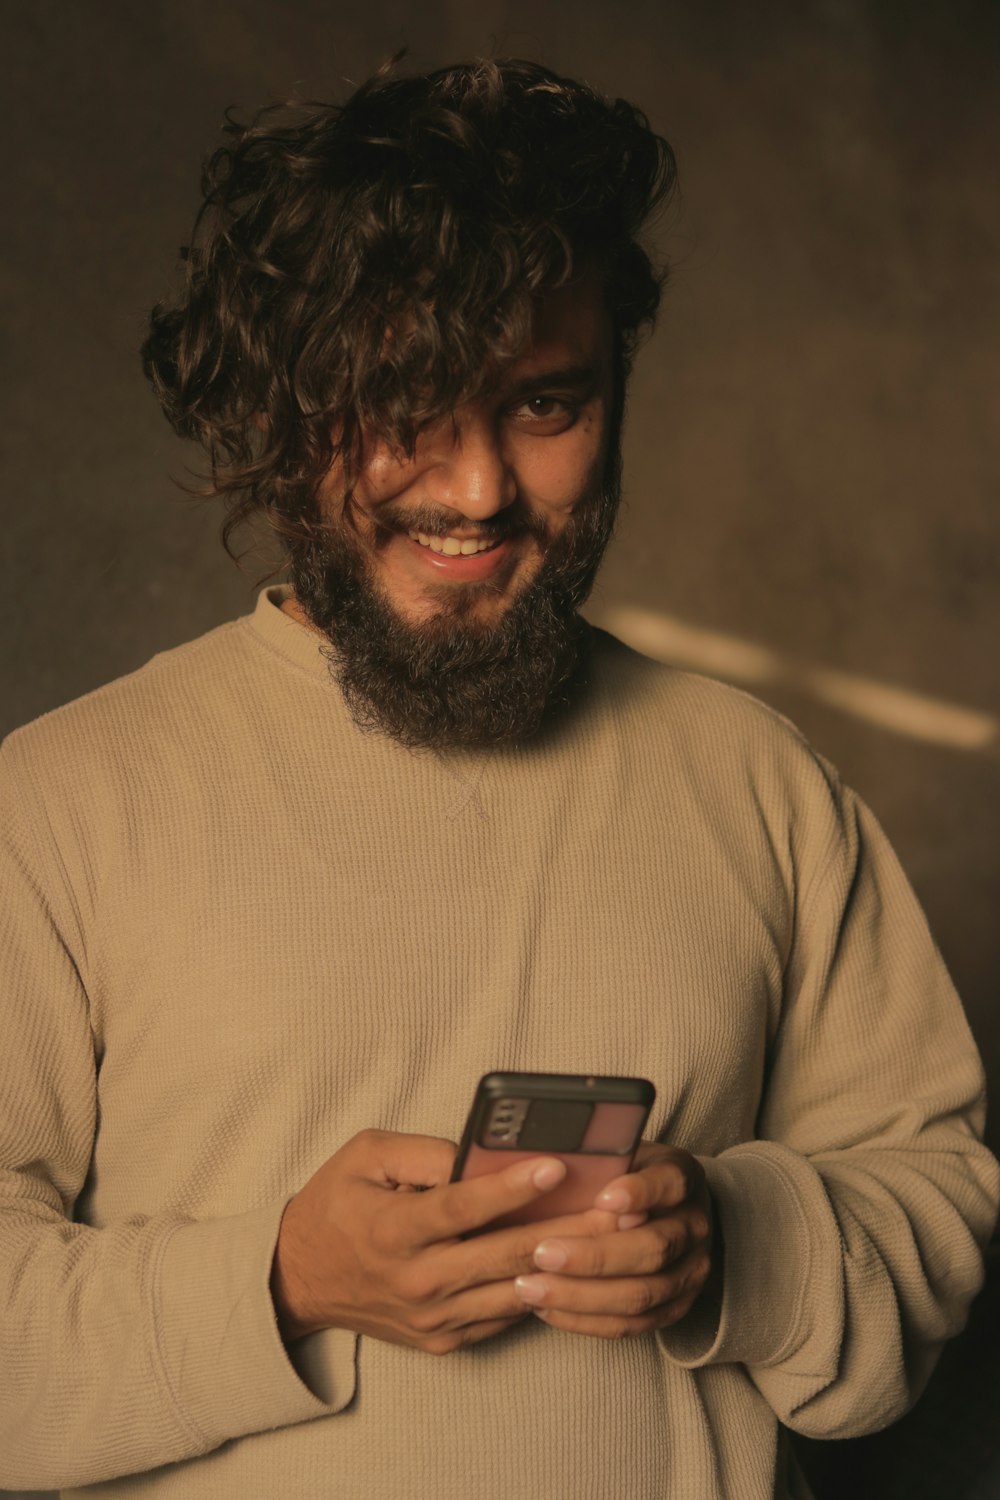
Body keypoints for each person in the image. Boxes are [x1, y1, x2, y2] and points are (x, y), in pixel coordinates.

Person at [0, 56, 995, 1500]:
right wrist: (277, 1285)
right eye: (407, 404)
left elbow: (937, 1216)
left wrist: (736, 1238)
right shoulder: (63, 801)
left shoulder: (758, 786)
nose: (476, 489)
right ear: (285, 414)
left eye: (544, 405)